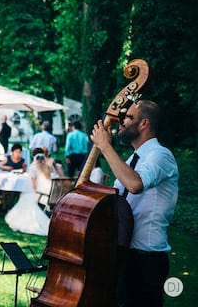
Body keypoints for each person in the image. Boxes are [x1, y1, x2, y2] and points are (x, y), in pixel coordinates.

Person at [90, 100, 178, 307]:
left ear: (144, 123)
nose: (121, 121)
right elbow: (120, 199)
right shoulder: (132, 160)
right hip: (123, 251)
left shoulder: (161, 155)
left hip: (146, 257)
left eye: (128, 117)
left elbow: (135, 184)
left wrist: (104, 146)